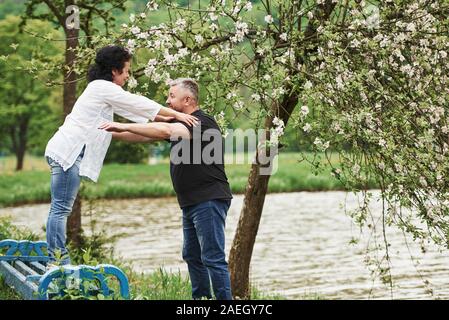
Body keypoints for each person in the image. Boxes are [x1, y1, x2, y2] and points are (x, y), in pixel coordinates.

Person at [44, 46, 198, 267]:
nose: (128, 75)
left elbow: (133, 114)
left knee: (58, 208)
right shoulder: (102, 87)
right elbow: (139, 104)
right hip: (69, 153)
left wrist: (165, 122)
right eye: (126, 70)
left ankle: (56, 259)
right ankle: (58, 262)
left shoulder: (101, 90)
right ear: (114, 70)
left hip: (64, 150)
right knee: (60, 209)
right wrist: (176, 114)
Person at [99, 78, 234, 300]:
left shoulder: (201, 122)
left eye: (172, 96)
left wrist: (123, 124)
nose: (167, 101)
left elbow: (163, 129)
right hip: (191, 202)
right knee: (192, 256)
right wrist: (109, 131)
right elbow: (143, 133)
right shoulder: (181, 124)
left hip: (208, 200)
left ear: (188, 99)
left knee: (212, 257)